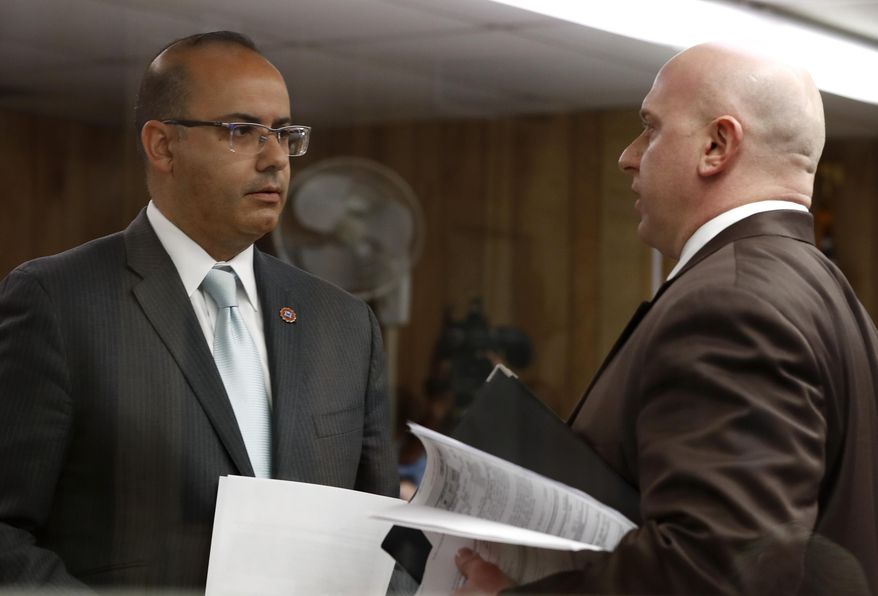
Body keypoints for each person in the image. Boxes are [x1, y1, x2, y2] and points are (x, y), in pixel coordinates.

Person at [456, 42, 878, 594]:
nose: (628, 156)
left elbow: (712, 569)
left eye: (650, 129)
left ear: (716, 145)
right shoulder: (825, 292)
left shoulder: (731, 303)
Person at [0, 31, 397, 589]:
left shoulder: (344, 324)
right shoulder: (59, 301)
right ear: (162, 145)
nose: (276, 158)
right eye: (241, 131)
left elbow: (381, 540)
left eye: (284, 134)